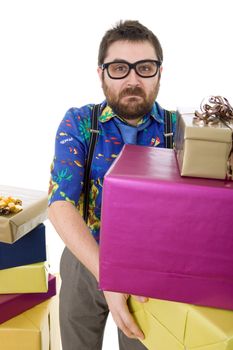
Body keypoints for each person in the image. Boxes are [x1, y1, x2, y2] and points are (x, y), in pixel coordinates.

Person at [48, 20, 176, 350]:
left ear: (159, 72)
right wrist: (109, 276)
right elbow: (60, 203)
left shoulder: (181, 130)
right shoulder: (78, 122)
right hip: (83, 256)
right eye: (120, 68)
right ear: (102, 73)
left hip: (151, 271)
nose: (133, 80)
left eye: (144, 68)